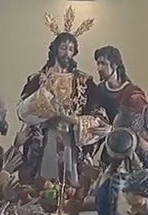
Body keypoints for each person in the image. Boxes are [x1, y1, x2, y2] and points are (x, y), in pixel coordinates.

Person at [13, 28, 107, 186]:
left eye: (71, 49)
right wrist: (42, 92)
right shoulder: (37, 79)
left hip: (70, 138)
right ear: (55, 49)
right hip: (45, 137)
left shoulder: (84, 81)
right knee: (43, 184)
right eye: (63, 47)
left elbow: (98, 113)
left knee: (69, 183)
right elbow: (22, 110)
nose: (67, 53)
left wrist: (76, 121)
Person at [86, 46, 147, 124]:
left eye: (104, 64)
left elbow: (140, 124)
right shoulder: (99, 90)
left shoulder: (132, 93)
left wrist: (112, 130)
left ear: (115, 65)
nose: (99, 68)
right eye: (98, 64)